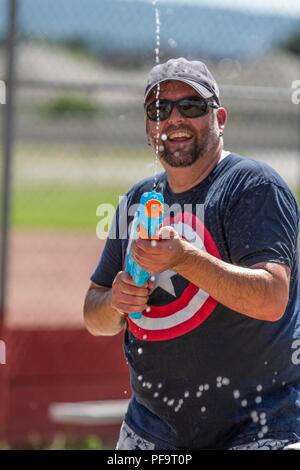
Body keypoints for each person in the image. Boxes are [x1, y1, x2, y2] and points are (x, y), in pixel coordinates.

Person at [83, 58, 300, 450]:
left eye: (191, 106)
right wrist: (115, 301)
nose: (174, 118)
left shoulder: (252, 186)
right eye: (159, 110)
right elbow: (94, 316)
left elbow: (272, 299)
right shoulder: (136, 201)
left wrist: (184, 259)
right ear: (149, 127)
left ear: (220, 117)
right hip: (151, 430)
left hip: (261, 429)